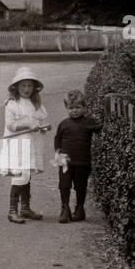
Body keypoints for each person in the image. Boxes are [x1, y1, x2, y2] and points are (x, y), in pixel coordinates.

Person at [0, 66, 49, 223]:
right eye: (23, 86)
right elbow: (11, 126)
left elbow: (42, 120)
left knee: (26, 175)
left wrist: (44, 126)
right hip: (17, 146)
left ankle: (25, 208)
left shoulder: (35, 104)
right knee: (19, 175)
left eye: (30, 86)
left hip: (31, 145)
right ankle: (12, 211)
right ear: (16, 87)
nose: (27, 89)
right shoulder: (12, 104)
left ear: (34, 88)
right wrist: (27, 125)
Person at [54, 90, 102, 222]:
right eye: (71, 108)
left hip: (83, 162)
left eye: (77, 108)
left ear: (84, 108)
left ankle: (79, 209)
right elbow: (57, 139)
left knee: (80, 186)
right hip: (65, 162)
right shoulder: (64, 124)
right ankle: (65, 208)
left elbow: (100, 128)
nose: (74, 111)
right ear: (66, 108)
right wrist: (58, 153)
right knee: (64, 185)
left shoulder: (89, 122)